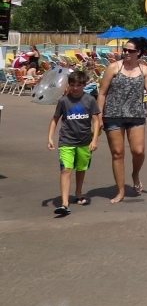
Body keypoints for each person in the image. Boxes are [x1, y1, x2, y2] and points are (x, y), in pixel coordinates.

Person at [96, 37, 147, 204]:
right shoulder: (113, 68)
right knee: (118, 154)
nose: (126, 53)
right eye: (125, 50)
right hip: (113, 115)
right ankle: (120, 191)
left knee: (138, 151)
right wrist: (99, 117)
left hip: (136, 114)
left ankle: (135, 174)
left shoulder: (144, 69)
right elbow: (102, 93)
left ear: (139, 52)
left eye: (130, 51)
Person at [47, 70, 101, 217]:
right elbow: (55, 119)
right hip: (66, 141)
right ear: (69, 85)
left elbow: (96, 121)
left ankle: (78, 193)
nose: (75, 88)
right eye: (72, 85)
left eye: (78, 85)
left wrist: (95, 139)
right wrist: (50, 137)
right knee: (66, 169)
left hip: (84, 141)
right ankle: (64, 203)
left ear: (84, 85)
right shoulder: (64, 101)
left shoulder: (90, 100)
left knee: (81, 168)